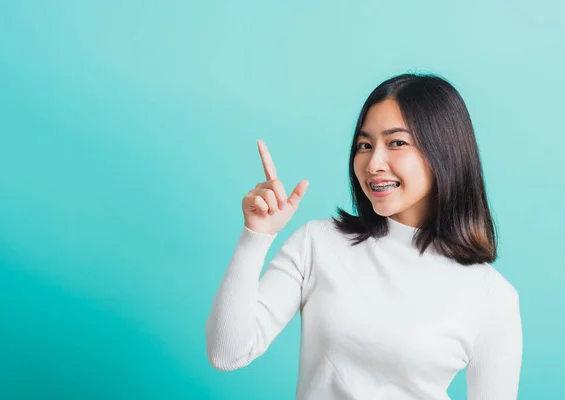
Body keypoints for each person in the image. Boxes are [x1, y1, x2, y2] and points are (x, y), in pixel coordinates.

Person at [205, 73, 523, 400]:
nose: (373, 163)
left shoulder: (492, 297)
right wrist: (255, 236)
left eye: (397, 142)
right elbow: (227, 352)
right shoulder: (318, 243)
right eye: (364, 145)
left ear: (444, 152)